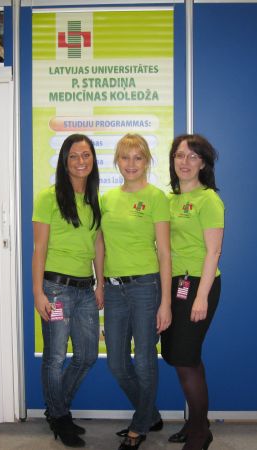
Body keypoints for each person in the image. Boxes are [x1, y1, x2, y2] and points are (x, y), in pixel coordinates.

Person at [100, 133, 172, 450]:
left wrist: (166, 302)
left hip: (145, 287)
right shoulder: (106, 199)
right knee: (116, 363)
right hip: (114, 289)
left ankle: (139, 425)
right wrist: (99, 283)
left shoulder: (156, 198)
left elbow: (165, 253)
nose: (131, 164)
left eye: (138, 157)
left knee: (144, 360)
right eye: (125, 157)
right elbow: (99, 244)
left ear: (147, 161)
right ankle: (150, 414)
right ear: (117, 160)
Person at [32, 134, 103, 448]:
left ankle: (56, 408)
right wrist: (38, 292)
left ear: (93, 160)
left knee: (87, 355)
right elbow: (39, 247)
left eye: (86, 155)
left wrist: (100, 283)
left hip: (86, 289)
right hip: (56, 288)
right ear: (64, 161)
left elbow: (98, 244)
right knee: (55, 356)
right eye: (74, 156)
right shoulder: (48, 197)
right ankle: (60, 416)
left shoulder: (93, 199)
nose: (80, 162)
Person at [160, 134, 225, 450]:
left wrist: (201, 297)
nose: (184, 162)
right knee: (179, 356)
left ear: (203, 163)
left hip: (199, 284)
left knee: (185, 358)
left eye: (192, 156)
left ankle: (201, 432)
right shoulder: (168, 200)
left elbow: (214, 251)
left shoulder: (208, 200)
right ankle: (195, 422)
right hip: (173, 285)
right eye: (179, 155)